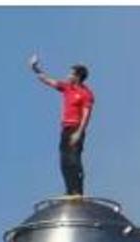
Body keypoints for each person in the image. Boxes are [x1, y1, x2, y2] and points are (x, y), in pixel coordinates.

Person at [29, 54, 94, 197]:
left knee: (74, 160)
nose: (68, 75)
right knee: (64, 161)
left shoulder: (86, 94)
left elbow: (86, 115)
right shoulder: (67, 88)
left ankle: (78, 191)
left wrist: (79, 133)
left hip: (76, 129)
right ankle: (69, 190)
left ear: (78, 77)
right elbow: (48, 81)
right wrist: (35, 68)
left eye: (71, 73)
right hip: (65, 129)